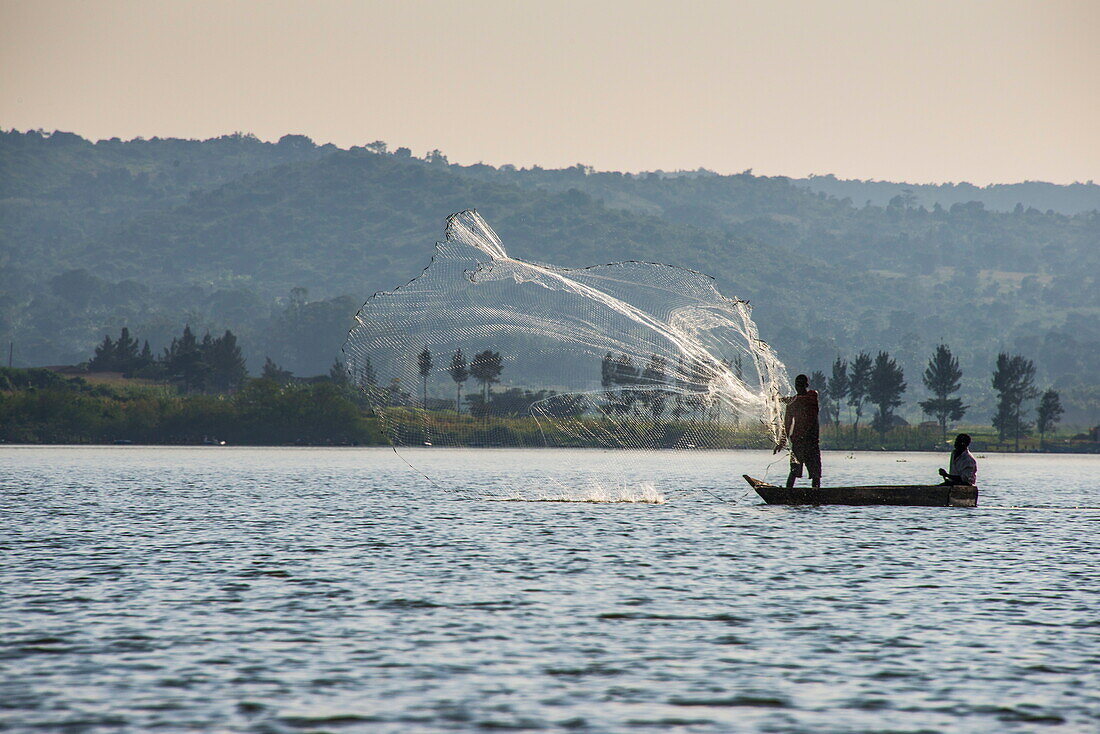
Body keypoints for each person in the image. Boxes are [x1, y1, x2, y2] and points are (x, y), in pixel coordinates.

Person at [774, 374, 821, 488]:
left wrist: (781, 399)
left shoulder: (812, 396)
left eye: (801, 384)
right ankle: (788, 494)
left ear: (806, 385)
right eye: (797, 385)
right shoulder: (792, 404)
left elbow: (801, 400)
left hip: (812, 442)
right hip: (798, 442)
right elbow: (787, 425)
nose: (799, 387)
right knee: (794, 471)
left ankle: (816, 495)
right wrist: (782, 442)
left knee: (816, 474)